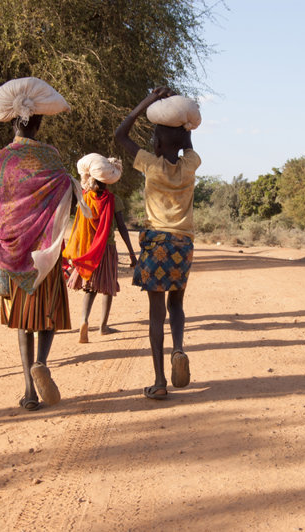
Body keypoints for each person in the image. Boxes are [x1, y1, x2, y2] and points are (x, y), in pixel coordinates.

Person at [0, 78, 88, 410]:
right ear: (39, 121)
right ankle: (42, 361)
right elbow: (63, 195)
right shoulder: (50, 156)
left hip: (14, 256)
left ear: (13, 121)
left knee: (22, 324)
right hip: (45, 254)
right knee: (48, 317)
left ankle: (28, 389)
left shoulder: (2, 158)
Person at [115, 87, 201, 400]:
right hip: (183, 243)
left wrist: (148, 101)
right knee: (176, 304)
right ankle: (178, 349)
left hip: (156, 244)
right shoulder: (190, 165)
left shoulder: (150, 165)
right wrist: (183, 115)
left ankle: (160, 380)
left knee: (155, 314)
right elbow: (187, 141)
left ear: (155, 143)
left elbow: (120, 134)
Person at [63, 154, 137, 343]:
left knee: (90, 288)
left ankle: (84, 321)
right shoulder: (114, 200)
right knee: (107, 287)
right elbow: (121, 227)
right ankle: (103, 326)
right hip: (107, 248)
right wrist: (131, 251)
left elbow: (78, 227)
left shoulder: (85, 198)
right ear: (108, 181)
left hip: (89, 249)